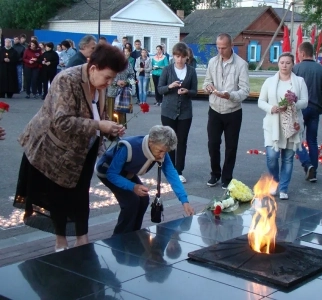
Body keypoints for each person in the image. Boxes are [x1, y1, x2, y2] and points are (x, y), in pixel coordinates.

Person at [13, 43, 127, 251]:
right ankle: (61, 245)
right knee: (59, 197)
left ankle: (82, 240)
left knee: (81, 194)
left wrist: (108, 129)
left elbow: (94, 114)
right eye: (107, 77)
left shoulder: (98, 84)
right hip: (52, 149)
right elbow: (62, 122)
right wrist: (99, 125)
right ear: (93, 68)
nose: (110, 83)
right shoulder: (67, 80)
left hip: (82, 150)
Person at [96, 125, 195, 235]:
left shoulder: (160, 149)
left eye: (165, 152)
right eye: (160, 151)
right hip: (107, 171)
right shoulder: (129, 147)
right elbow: (112, 174)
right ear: (151, 142)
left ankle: (134, 233)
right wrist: (133, 187)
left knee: (143, 199)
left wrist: (184, 201)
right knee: (131, 202)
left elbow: (172, 175)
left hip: (127, 171)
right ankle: (119, 237)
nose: (162, 155)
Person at [258, 52, 308, 200]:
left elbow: (305, 101)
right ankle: (275, 181)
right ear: (278, 64)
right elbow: (261, 101)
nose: (284, 65)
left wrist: (293, 103)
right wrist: (271, 108)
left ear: (293, 64)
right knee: (272, 156)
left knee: (288, 157)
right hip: (273, 123)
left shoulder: (299, 81)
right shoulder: (269, 82)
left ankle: (284, 188)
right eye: (282, 62)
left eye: (288, 63)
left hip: (291, 124)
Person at [203, 33, 250, 189]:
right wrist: (208, 87)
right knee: (213, 144)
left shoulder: (241, 64)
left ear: (231, 46)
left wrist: (230, 95)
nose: (220, 51)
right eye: (218, 47)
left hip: (233, 111)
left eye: (223, 48)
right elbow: (206, 82)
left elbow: (245, 91)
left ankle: (227, 177)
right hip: (215, 109)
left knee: (231, 147)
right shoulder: (212, 62)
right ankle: (215, 174)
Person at [158, 42, 198, 183]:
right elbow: (159, 89)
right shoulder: (167, 70)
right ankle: (170, 170)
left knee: (182, 142)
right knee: (169, 141)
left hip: (185, 112)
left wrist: (187, 91)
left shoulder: (192, 71)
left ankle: (179, 170)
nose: (179, 59)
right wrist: (170, 86)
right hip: (168, 111)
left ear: (187, 57)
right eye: (176, 56)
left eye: (182, 57)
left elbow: (195, 91)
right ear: (173, 56)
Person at [293, 42, 322, 182]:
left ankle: (307, 164)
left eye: (298, 53)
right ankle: (313, 172)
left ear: (302, 53)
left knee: (296, 139)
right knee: (312, 140)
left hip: (299, 109)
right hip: (315, 109)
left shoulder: (296, 69)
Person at [106, 53, 134, 127]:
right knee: (110, 114)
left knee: (121, 114)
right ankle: (110, 132)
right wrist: (116, 82)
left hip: (123, 93)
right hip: (112, 93)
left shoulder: (127, 64)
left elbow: (132, 75)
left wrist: (127, 81)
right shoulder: (109, 63)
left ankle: (120, 131)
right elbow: (106, 76)